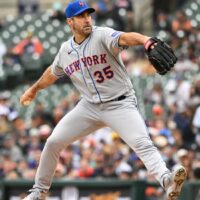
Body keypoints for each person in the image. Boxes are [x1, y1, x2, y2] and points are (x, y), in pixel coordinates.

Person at [20, 1, 186, 199]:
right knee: (53, 142)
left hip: (120, 103)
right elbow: (53, 72)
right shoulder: (66, 50)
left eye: (88, 15)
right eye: (81, 16)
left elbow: (125, 37)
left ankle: (167, 180)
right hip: (89, 107)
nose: (87, 19)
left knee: (142, 143)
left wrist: (146, 40)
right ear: (70, 22)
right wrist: (34, 88)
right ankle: (39, 191)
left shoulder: (102, 35)